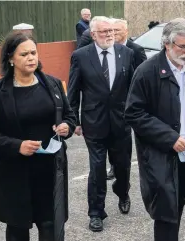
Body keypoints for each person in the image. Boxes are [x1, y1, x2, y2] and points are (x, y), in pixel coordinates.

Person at [0, 32, 76, 241]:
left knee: (50, 224)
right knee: (18, 228)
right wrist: (16, 145)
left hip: (50, 169)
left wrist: (67, 126)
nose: (31, 58)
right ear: (11, 58)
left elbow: (69, 115)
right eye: (24, 54)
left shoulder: (53, 84)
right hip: (14, 172)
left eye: (33, 53)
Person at [124, 18, 185, 240]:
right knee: (165, 212)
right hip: (159, 154)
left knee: (179, 202)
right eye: (183, 46)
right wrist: (169, 137)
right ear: (167, 43)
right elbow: (134, 113)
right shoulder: (147, 72)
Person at [67, 16, 134, 232]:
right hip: (94, 123)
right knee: (97, 169)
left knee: (122, 166)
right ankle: (96, 212)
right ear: (93, 34)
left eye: (112, 31)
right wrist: (73, 120)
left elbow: (134, 89)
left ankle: (122, 192)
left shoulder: (127, 54)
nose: (109, 35)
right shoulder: (80, 56)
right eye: (104, 31)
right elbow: (73, 90)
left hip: (121, 122)